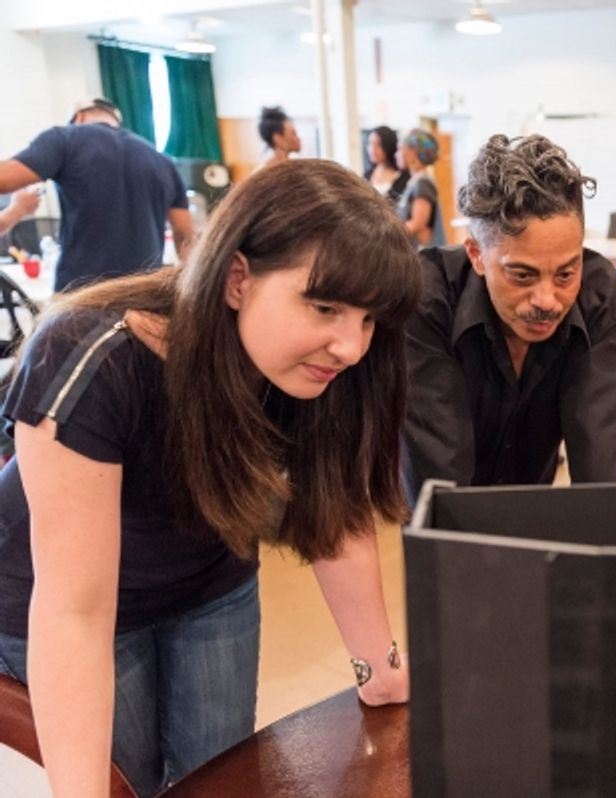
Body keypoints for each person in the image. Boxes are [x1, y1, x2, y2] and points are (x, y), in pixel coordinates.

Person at [0, 160, 420, 797]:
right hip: (79, 604)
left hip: (210, 580)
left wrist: (381, 670)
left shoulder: (324, 367)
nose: (351, 347)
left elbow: (335, 513)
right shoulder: (91, 357)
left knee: (218, 777)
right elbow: (74, 612)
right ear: (236, 279)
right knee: (125, 781)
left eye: (367, 320)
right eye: (324, 306)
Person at [404, 133, 616, 495]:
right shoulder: (428, 300)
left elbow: (598, 472)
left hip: (530, 501)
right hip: (441, 509)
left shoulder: (599, 300)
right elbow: (441, 484)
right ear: (476, 254)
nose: (547, 300)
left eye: (565, 273)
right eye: (522, 275)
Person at [0, 98, 194, 292]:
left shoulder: (65, 138)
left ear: (79, 117)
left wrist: (18, 207)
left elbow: (4, 180)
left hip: (82, 297)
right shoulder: (163, 162)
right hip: (144, 297)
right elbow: (186, 239)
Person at [397, 127, 447, 247]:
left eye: (400, 149)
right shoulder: (415, 181)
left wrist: (388, 233)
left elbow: (417, 223)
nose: (396, 155)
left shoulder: (422, 183)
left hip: (423, 258)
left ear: (412, 152)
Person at [363, 125, 409, 204]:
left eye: (378, 145)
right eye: (370, 143)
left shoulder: (404, 177)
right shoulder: (366, 175)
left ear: (388, 146)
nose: (373, 149)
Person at [256, 105, 302, 170]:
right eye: (293, 133)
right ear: (278, 139)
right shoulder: (264, 172)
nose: (298, 138)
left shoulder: (295, 167)